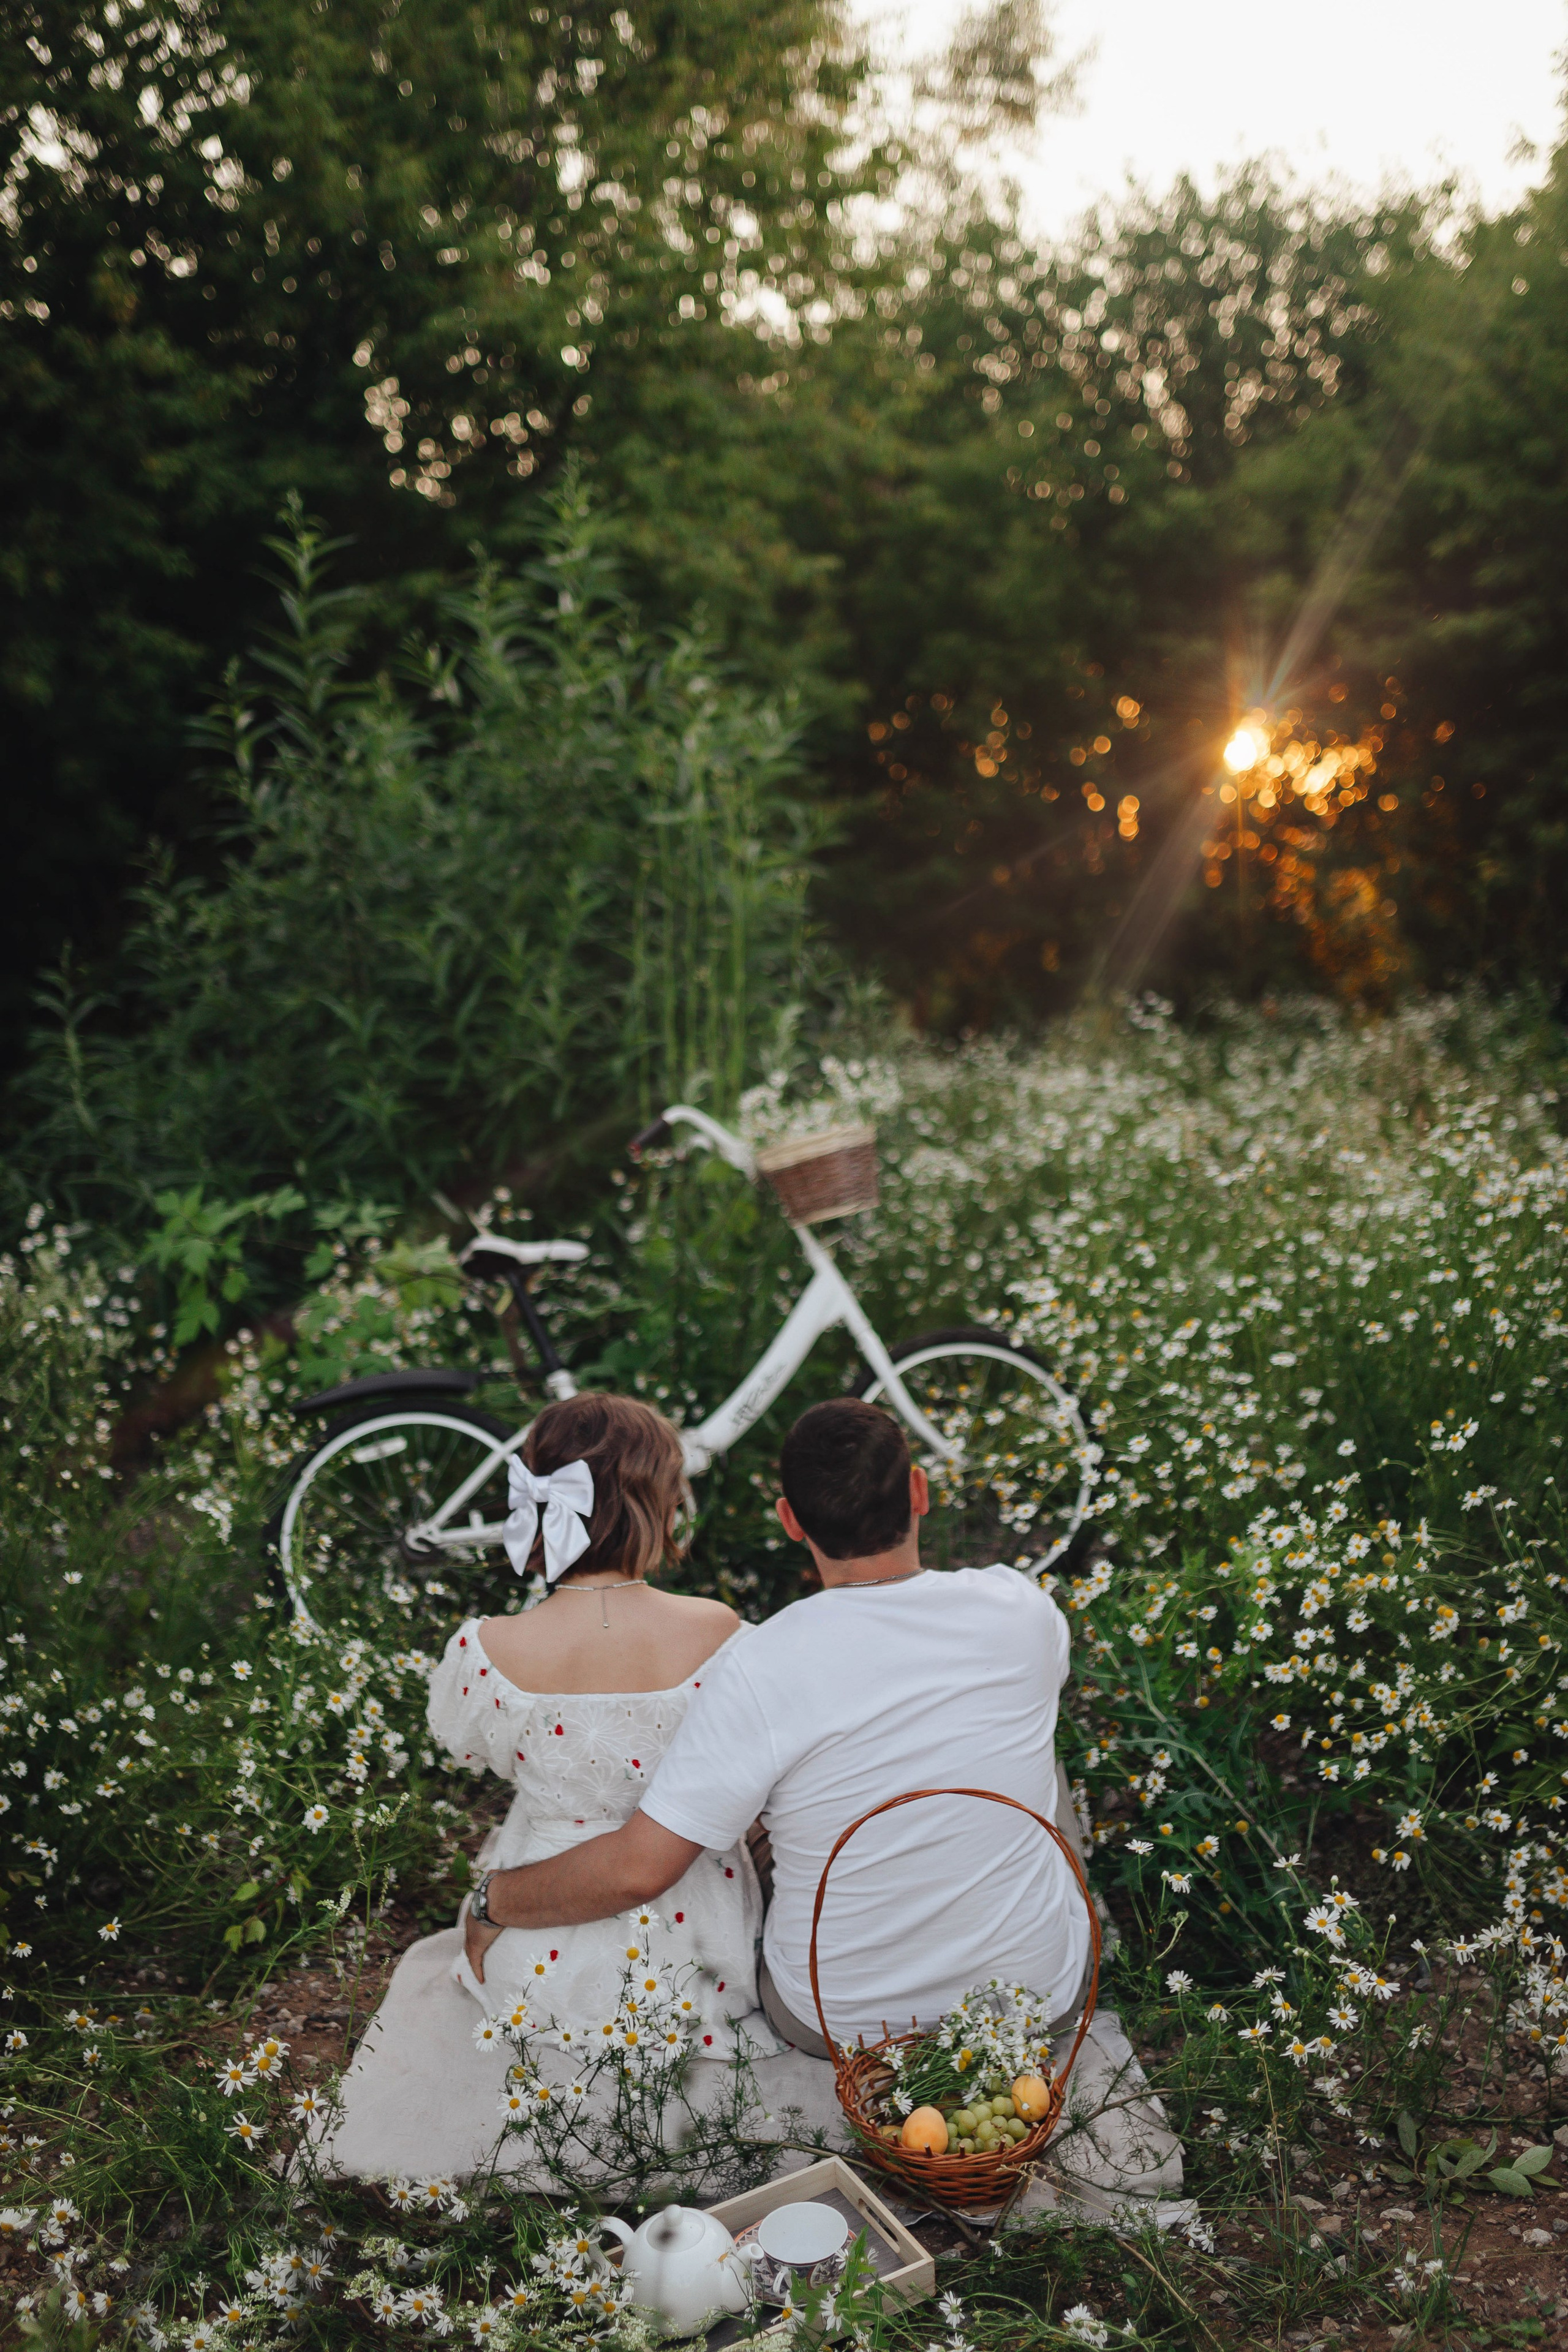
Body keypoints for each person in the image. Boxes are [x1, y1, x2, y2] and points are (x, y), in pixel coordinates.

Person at [463, 1398, 1090, 2052]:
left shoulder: (762, 1662)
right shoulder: (1023, 1608)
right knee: (1037, 1749)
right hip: (1034, 2001)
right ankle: (1021, 1933)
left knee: (764, 1798)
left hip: (838, 2023)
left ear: (790, 1521)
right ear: (919, 1491)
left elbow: (637, 1871)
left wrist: (494, 1900)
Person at [429, 1391, 761, 2053]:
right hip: (699, 1944)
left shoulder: (487, 1649)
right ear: (662, 1504)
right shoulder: (720, 1631)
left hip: (536, 1946)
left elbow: (469, 1755)